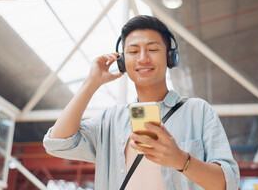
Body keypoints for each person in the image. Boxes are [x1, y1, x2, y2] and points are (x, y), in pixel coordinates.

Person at [43, 15, 240, 190]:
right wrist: (90, 84)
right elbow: (57, 143)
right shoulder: (110, 120)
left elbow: (227, 184)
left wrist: (181, 160)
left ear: (170, 57)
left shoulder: (197, 111)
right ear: (122, 62)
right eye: (133, 51)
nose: (143, 58)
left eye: (153, 49)